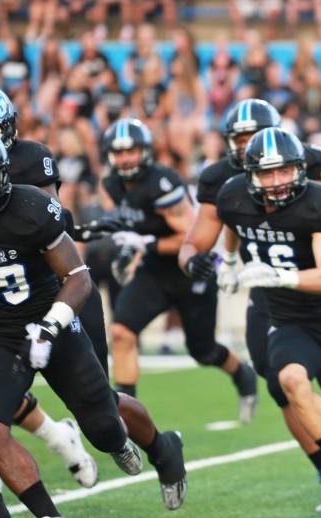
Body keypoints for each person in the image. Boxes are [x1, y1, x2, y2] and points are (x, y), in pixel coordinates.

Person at [0, 85, 186, 518]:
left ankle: (160, 447)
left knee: (100, 413)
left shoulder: (30, 164)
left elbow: (51, 228)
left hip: (55, 291)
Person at [0, 127, 145, 518]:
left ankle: (121, 439)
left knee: (103, 426)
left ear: (4, 176)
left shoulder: (31, 208)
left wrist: (51, 326)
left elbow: (78, 278)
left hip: (52, 322)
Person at [184, 98, 321, 511]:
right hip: (269, 298)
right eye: (239, 139)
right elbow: (210, 234)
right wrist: (216, 262)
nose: (248, 145)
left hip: (309, 285)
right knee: (282, 384)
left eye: (254, 136)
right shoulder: (226, 184)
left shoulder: (308, 171)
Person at [97, 118, 258, 421]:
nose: (125, 158)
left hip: (190, 272)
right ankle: (128, 415)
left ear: (145, 151)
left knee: (203, 350)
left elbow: (190, 239)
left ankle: (243, 374)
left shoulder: (162, 181)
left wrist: (144, 243)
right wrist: (130, 246)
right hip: (155, 272)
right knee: (120, 332)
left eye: (131, 150)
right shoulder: (113, 183)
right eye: (119, 153)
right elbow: (138, 225)